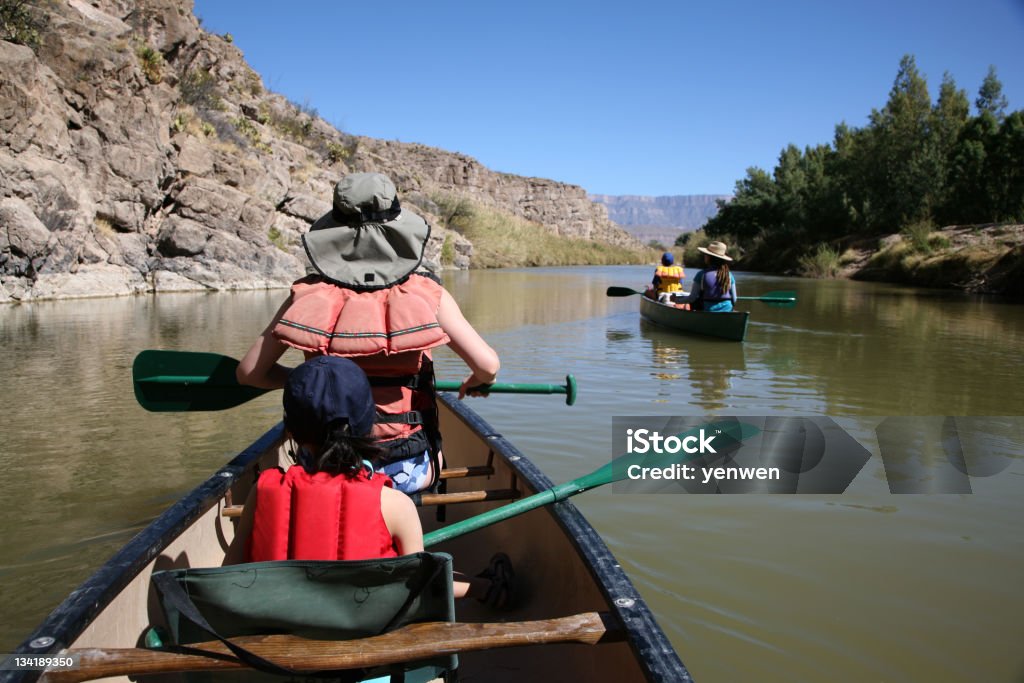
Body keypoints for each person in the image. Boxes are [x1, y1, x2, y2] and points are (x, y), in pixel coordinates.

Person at [236, 172, 500, 494]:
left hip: (325, 463)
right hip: (407, 462)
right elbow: (487, 365)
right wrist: (479, 381)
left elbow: (249, 373)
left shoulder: (305, 294)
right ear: (399, 230)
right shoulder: (428, 293)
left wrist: (310, 383)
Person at [226, 355, 513, 606]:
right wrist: (481, 587)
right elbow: (422, 589)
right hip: (370, 661)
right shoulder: (395, 504)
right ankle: (490, 589)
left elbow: (227, 578)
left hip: (278, 654)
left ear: (290, 431)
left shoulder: (262, 491)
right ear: (368, 424)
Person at [678, 241, 737, 311]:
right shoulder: (729, 275)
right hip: (727, 309)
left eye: (706, 254)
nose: (704, 256)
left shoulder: (701, 274)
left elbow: (692, 298)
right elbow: (734, 299)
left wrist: (676, 300)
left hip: (708, 310)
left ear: (709, 257)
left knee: (693, 304)